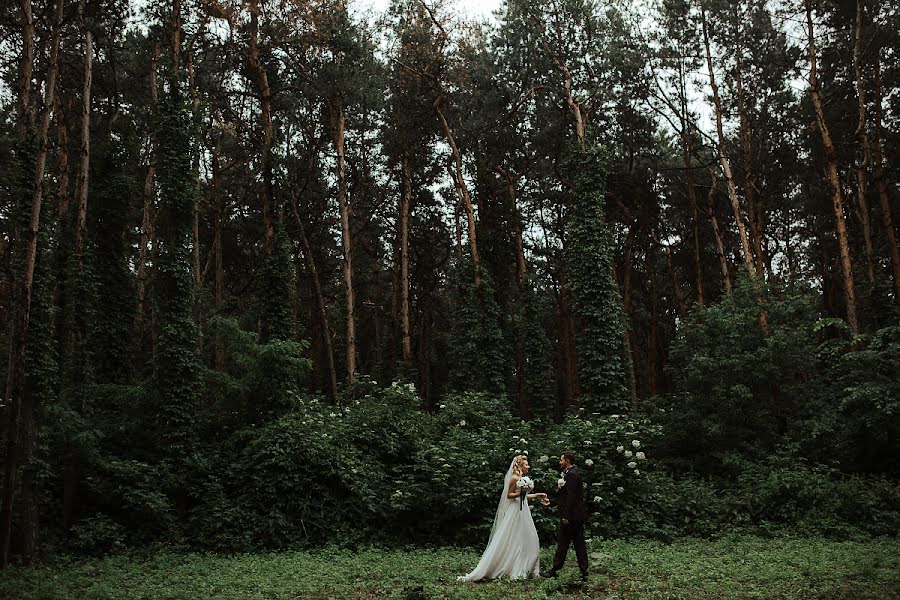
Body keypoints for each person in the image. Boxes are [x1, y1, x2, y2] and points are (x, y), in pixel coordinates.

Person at [458, 454, 548, 581]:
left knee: (530, 537)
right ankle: (510, 567)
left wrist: (536, 495)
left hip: (524, 510)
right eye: (526, 464)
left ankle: (526, 567)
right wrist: (520, 492)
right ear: (520, 465)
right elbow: (510, 495)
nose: (529, 466)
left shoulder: (523, 478)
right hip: (515, 511)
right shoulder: (514, 478)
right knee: (512, 537)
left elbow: (523, 496)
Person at [541, 451, 589, 582]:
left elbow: (571, 497)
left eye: (561, 460)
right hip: (574, 516)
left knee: (565, 543)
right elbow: (564, 496)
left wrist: (566, 515)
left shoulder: (572, 475)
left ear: (567, 460)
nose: (559, 462)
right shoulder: (569, 474)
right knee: (577, 543)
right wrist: (551, 502)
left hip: (572, 516)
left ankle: (555, 570)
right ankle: (584, 572)